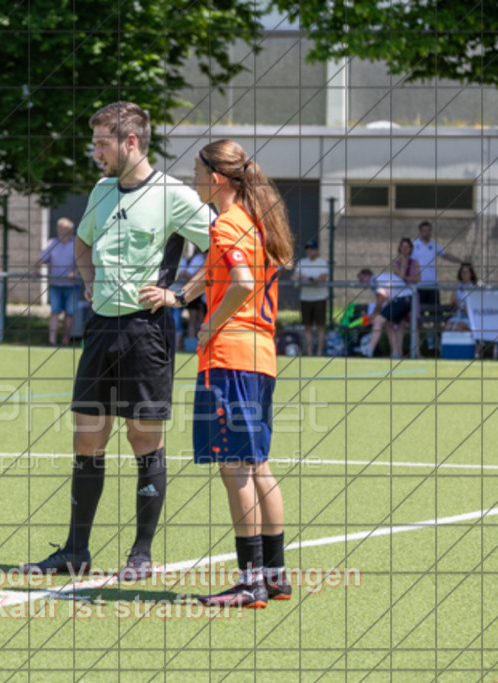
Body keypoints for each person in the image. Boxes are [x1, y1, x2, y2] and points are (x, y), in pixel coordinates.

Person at [21, 101, 211, 579]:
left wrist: (179, 295)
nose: (95, 152)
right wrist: (88, 280)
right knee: (87, 437)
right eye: (94, 143)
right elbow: (83, 242)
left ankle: (140, 555)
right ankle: (75, 552)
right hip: (100, 328)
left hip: (146, 331)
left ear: (131, 141)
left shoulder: (173, 194)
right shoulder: (102, 190)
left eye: (102, 142)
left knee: (142, 437)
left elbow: (227, 248)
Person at [144, 139, 294, 607]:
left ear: (216, 178)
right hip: (261, 357)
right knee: (258, 465)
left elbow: (241, 284)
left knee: (235, 470)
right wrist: (178, 297)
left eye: (196, 173)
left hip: (231, 358)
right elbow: (218, 274)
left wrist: (211, 324)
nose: (193, 182)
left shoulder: (227, 223)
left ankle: (249, 582)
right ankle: (274, 576)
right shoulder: (255, 221)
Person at [34, 217, 80, 346]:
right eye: (60, 228)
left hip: (72, 286)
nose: (62, 230)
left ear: (71, 230)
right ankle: (52, 340)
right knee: (54, 312)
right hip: (55, 285)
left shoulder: (77, 244)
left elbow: (83, 262)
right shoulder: (52, 243)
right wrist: (36, 269)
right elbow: (41, 259)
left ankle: (65, 340)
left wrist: (75, 273)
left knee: (69, 314)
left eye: (65, 228)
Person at [359, 266, 415, 358]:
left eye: (362, 279)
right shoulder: (381, 277)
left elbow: (382, 295)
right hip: (408, 299)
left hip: (401, 299)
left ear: (368, 275)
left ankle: (369, 348)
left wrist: (374, 313)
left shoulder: (374, 280)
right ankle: (396, 352)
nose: (361, 282)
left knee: (378, 320)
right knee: (389, 324)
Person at [411, 220, 463, 317]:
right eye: (424, 230)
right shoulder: (413, 244)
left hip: (432, 284)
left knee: (436, 312)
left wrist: (461, 261)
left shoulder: (434, 245)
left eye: (429, 230)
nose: (427, 233)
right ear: (420, 231)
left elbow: (446, 255)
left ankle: (435, 328)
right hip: (418, 285)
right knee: (419, 313)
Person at [294, 238, 329, 356]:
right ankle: (309, 353)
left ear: (317, 251)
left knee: (320, 327)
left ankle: (319, 353)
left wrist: (308, 278)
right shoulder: (302, 262)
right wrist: (299, 278)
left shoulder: (322, 263)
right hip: (305, 299)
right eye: (308, 249)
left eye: (312, 249)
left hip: (319, 299)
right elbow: (294, 277)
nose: (310, 251)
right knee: (307, 327)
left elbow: (322, 278)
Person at [445, 262, 479, 332]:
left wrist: (461, 306)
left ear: (470, 274)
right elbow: (453, 304)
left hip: (469, 318)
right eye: (462, 272)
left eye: (466, 272)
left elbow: (472, 310)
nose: (463, 274)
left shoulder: (474, 289)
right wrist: (454, 302)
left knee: (458, 327)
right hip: (457, 316)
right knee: (448, 327)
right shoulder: (457, 287)